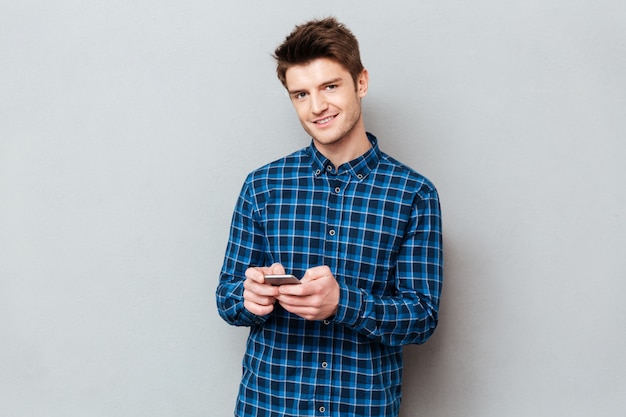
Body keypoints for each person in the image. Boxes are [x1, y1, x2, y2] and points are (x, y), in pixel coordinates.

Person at [216, 17, 443, 417]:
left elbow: (422, 317)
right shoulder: (262, 186)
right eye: (300, 94)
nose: (316, 107)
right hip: (269, 407)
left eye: (330, 87)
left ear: (361, 82)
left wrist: (343, 303)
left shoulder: (414, 194)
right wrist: (247, 297)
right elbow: (227, 298)